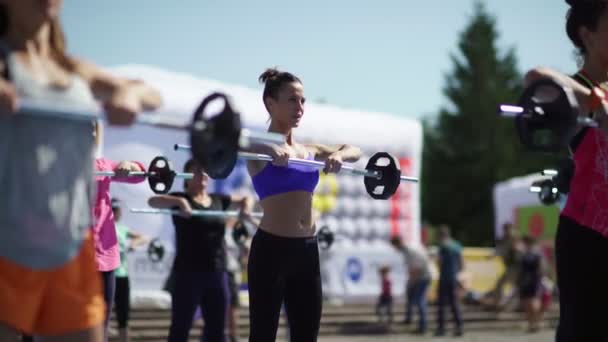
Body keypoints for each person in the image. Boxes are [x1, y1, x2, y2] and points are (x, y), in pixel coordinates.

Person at [0, 1, 161, 341]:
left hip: (71, 252)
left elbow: (151, 94)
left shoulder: (73, 70)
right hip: (9, 250)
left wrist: (128, 93)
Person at [245, 67, 362, 342]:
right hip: (270, 250)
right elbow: (232, 139)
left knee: (306, 336)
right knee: (262, 336)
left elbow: (355, 150)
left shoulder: (309, 151)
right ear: (270, 103)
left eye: (303, 101)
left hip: (307, 251)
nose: (300, 107)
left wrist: (340, 156)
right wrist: (267, 147)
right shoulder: (255, 147)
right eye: (292, 100)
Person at [523, 1, 608, 340]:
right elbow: (536, 76)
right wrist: (593, 101)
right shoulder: (578, 90)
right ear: (587, 35)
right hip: (587, 236)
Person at [147, 158, 254, 342]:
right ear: (186, 177)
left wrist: (246, 209)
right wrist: (180, 202)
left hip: (217, 273)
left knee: (217, 330)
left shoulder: (219, 200)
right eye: (196, 171)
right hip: (187, 274)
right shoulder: (179, 198)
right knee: (180, 328)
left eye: (204, 171)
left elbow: (247, 198)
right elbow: (152, 201)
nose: (202, 174)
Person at [92, 122, 149, 341]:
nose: (88, 133)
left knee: (102, 326)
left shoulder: (103, 164)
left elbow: (139, 175)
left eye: (93, 129)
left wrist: (131, 165)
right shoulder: (62, 165)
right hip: (73, 258)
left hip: (105, 260)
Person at [111, 198, 147, 342]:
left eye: (116, 210)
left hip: (121, 276)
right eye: (113, 210)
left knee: (123, 316)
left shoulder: (122, 229)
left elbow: (143, 238)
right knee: (100, 315)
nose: (115, 213)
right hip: (104, 275)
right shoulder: (99, 227)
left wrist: (132, 244)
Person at [390, 236, 432, 334]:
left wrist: (412, 281)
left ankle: (423, 326)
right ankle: (409, 319)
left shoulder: (409, 251)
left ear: (397, 244)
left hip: (422, 276)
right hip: (419, 276)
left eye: (394, 246)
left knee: (420, 300)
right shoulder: (407, 250)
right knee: (412, 297)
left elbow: (416, 268)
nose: (394, 249)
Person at [435, 226, 464, 337]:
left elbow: (439, 262)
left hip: (444, 278)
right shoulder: (457, 245)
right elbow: (461, 263)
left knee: (442, 304)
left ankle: (441, 328)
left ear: (441, 235)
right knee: (454, 303)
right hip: (454, 277)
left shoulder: (442, 246)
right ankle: (459, 326)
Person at [517, 235, 543, 333]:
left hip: (533, 279)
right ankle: (531, 323)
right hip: (524, 280)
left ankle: (537, 322)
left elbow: (540, 268)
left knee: (533, 301)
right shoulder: (523, 252)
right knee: (526, 303)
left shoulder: (536, 253)